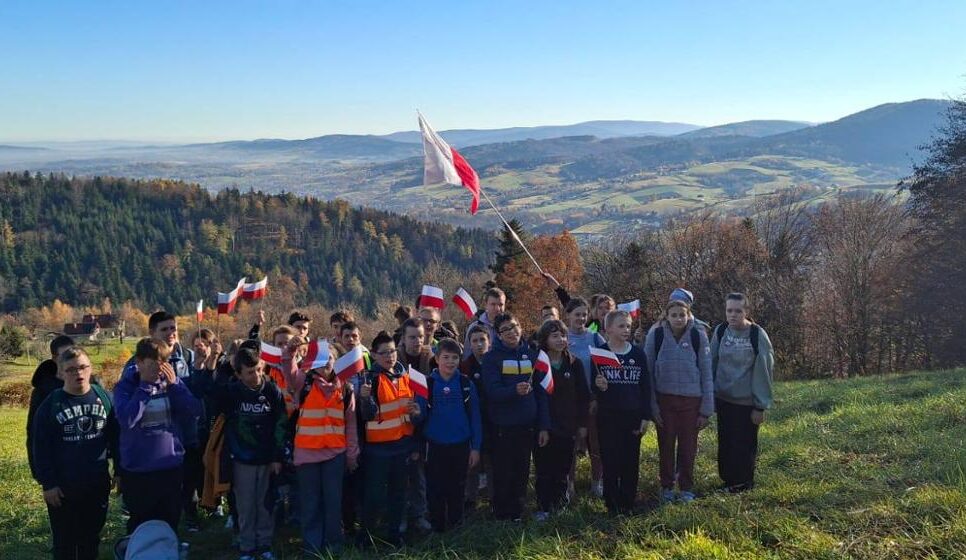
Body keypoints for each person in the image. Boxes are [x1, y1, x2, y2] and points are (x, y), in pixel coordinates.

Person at [32, 346, 118, 560]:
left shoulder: (104, 398)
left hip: (97, 483)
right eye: (71, 370)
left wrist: (119, 469)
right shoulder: (51, 405)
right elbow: (40, 447)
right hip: (63, 488)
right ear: (60, 373)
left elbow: (117, 437)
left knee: (90, 539)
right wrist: (48, 483)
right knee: (65, 543)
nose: (78, 373)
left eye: (82, 367)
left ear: (90, 369)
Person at [114, 337, 202, 533]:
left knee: (169, 521)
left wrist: (176, 387)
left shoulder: (172, 384)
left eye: (163, 362)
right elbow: (127, 419)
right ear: (139, 362)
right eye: (153, 363)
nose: (158, 368)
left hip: (170, 466)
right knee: (140, 524)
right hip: (139, 470)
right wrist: (145, 387)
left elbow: (194, 411)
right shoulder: (125, 387)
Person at [284, 343, 359, 555]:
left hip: (335, 454)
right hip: (307, 454)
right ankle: (312, 547)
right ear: (312, 364)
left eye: (330, 359)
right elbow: (289, 375)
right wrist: (289, 355)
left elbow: (351, 425)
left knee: (333, 502)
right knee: (311, 503)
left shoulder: (345, 388)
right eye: (321, 360)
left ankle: (333, 545)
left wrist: (352, 454)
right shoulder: (303, 382)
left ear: (336, 361)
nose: (325, 364)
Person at [213, 347, 287, 560]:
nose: (255, 376)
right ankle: (246, 545)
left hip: (267, 459)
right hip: (242, 458)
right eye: (249, 372)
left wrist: (276, 456)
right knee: (245, 505)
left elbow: (280, 424)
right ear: (238, 374)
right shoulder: (232, 392)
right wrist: (223, 362)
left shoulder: (272, 391)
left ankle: (264, 544)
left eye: (258, 370)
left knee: (264, 503)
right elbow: (213, 395)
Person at [481, 312, 550, 521]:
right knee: (503, 471)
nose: (512, 332)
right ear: (498, 335)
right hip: (503, 426)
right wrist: (513, 390)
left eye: (514, 327)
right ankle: (502, 513)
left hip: (527, 425)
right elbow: (491, 391)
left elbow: (541, 393)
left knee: (522, 470)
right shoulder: (492, 358)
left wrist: (544, 425)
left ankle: (518, 512)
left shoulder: (531, 354)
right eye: (506, 330)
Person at [645, 298, 713, 504]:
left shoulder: (697, 335)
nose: (678, 319)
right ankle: (666, 486)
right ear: (666, 316)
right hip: (664, 400)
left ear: (688, 315)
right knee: (665, 445)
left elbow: (707, 372)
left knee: (688, 447)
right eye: (673, 315)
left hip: (691, 402)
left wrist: (706, 410)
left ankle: (686, 487)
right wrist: (652, 406)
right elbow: (648, 373)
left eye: (682, 315)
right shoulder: (655, 335)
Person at [357, 331, 420, 547]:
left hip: (402, 446)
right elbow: (367, 415)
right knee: (374, 496)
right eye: (384, 353)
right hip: (378, 450)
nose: (389, 356)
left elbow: (411, 413)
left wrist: (416, 412)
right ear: (374, 355)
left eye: (392, 351)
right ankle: (367, 536)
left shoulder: (406, 376)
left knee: (398, 495)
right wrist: (365, 400)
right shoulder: (370, 379)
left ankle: (395, 534)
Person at [415, 338, 482, 532]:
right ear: (436, 359)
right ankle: (437, 527)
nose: (450, 362)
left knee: (458, 487)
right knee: (435, 488)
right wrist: (415, 414)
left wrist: (476, 447)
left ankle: (456, 525)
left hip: (460, 445)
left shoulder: (465, 384)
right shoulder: (426, 384)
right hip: (435, 446)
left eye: (455, 358)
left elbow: (475, 418)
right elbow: (419, 418)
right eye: (446, 357)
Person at [710, 293, 775, 493]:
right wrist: (708, 396)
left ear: (746, 312)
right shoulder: (721, 332)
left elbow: (764, 369)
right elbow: (712, 362)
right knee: (726, 442)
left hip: (746, 403)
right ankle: (728, 480)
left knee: (743, 444)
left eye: (738, 311)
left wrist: (760, 405)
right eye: (729, 310)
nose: (733, 315)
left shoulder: (757, 334)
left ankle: (743, 483)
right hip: (723, 399)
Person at [592, 310, 652, 515]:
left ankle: (628, 502)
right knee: (610, 460)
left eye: (628, 326)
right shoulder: (600, 353)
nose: (626, 330)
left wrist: (646, 416)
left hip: (632, 416)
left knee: (630, 461)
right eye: (621, 326)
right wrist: (598, 385)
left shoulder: (637, 353)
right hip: (608, 417)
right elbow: (593, 386)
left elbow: (646, 386)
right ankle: (612, 503)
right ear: (608, 329)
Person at [533, 320, 589, 521]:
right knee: (544, 469)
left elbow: (584, 396)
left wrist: (583, 424)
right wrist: (542, 426)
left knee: (563, 469)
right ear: (545, 339)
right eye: (555, 336)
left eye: (563, 335)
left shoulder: (574, 363)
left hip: (568, 426)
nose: (560, 340)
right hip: (544, 428)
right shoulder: (537, 364)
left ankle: (560, 506)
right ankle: (543, 507)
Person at [562, 297, 606, 497]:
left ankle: (597, 481)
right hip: (568, 402)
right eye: (577, 314)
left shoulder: (595, 337)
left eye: (584, 314)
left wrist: (597, 394)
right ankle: (568, 484)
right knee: (569, 444)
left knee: (595, 442)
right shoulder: (561, 337)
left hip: (591, 400)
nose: (581, 318)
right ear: (567, 315)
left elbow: (606, 364)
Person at [396, 317, 434, 532]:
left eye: (420, 336)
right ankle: (399, 517)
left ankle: (419, 515)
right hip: (400, 429)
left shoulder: (431, 359)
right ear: (403, 338)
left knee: (420, 478)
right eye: (412, 337)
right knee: (401, 479)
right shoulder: (396, 361)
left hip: (425, 427)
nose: (417, 341)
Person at [27, 334, 75, 482]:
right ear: (54, 358)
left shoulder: (89, 385)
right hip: (58, 471)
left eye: (72, 354)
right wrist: (42, 476)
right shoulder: (43, 392)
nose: (69, 359)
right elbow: (33, 434)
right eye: (64, 355)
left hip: (89, 470)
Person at [460, 324, 492, 508]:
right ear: (470, 344)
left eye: (483, 340)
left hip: (493, 418)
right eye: (475, 341)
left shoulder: (495, 363)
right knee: (472, 460)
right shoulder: (465, 366)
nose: (479, 344)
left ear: (489, 341)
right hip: (472, 418)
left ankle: (493, 497)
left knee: (491, 460)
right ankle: (470, 499)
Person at [463, 287, 506, 358]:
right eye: (493, 304)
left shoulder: (510, 327)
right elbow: (467, 354)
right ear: (486, 305)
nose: (497, 308)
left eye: (501, 305)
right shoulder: (474, 327)